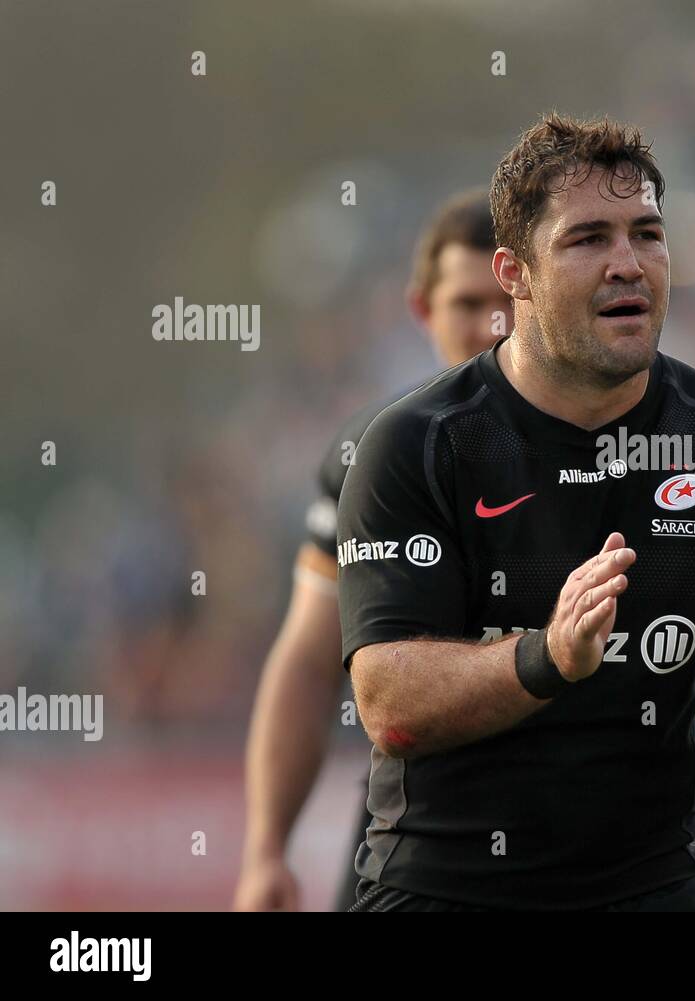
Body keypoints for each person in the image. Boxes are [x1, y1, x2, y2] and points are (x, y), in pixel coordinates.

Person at [339, 113, 695, 912]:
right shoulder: (418, 445)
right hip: (443, 889)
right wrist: (546, 657)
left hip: (647, 888)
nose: (628, 264)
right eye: (587, 240)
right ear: (515, 273)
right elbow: (388, 704)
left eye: (647, 234)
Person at [234, 190, 513, 912]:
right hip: (413, 827)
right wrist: (267, 850)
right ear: (422, 310)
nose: (492, 326)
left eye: (509, 300)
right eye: (467, 303)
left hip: (596, 838)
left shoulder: (619, 439)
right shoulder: (373, 454)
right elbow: (307, 655)